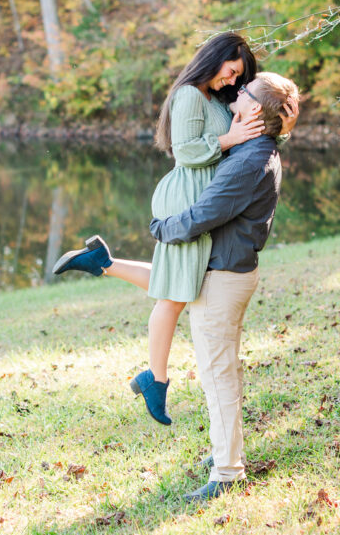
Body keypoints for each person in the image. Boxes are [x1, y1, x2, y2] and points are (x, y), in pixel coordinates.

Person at [54, 72, 300, 502]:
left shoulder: (249, 160)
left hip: (224, 276)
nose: (234, 96)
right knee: (220, 370)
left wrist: (163, 227)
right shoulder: (253, 149)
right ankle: (225, 451)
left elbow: (206, 212)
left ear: (255, 109)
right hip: (222, 269)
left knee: (218, 374)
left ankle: (227, 473)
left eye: (242, 93)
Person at [54, 32, 263, 426]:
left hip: (202, 199)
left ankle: (103, 262)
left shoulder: (216, 97)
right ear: (215, 58)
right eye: (232, 71)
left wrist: (245, 121)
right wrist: (232, 137)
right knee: (174, 296)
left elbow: (240, 122)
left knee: (179, 282)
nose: (233, 80)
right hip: (186, 196)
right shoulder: (188, 95)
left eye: (239, 76)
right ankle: (156, 378)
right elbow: (186, 151)